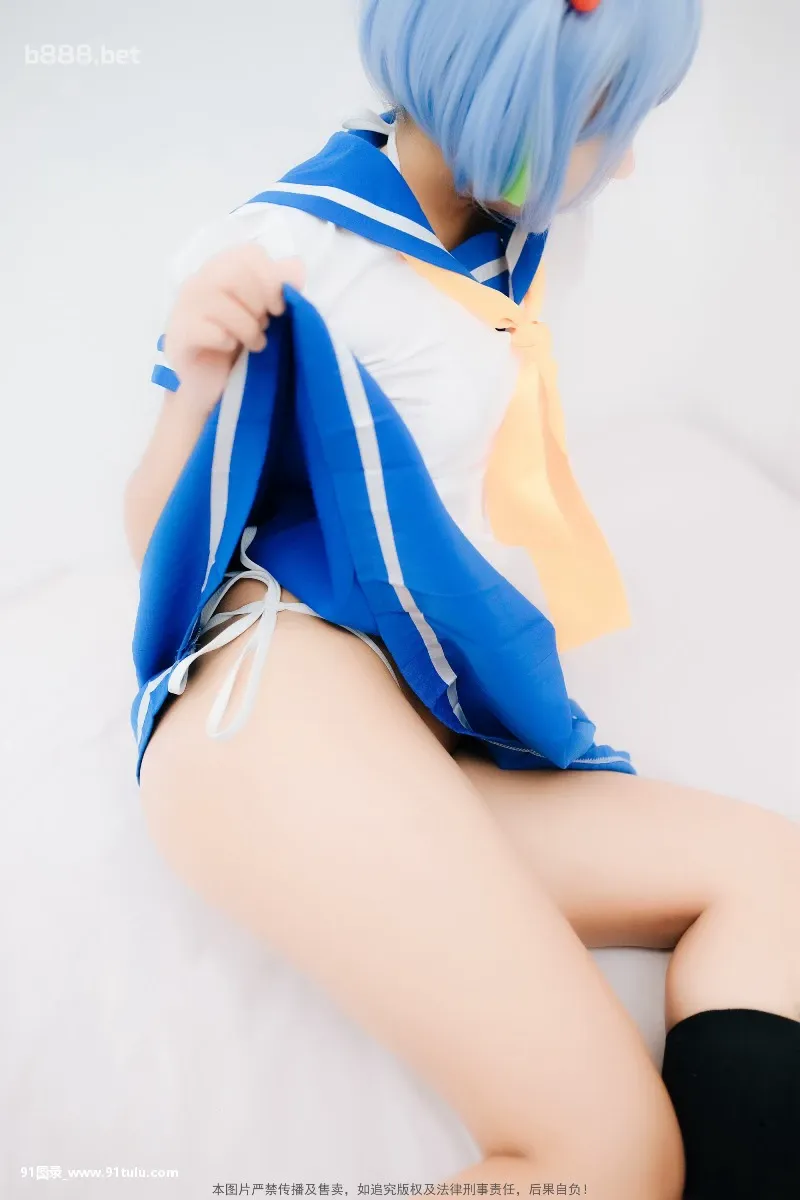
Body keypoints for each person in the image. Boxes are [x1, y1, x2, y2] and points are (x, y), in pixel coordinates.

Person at [124, 2, 800, 1196]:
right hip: (280, 696)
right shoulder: (292, 248)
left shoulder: (505, 242)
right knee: (605, 1157)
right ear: (515, 110)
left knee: (775, 877)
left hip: (411, 724)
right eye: (599, 123)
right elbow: (154, 541)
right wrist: (199, 375)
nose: (624, 165)